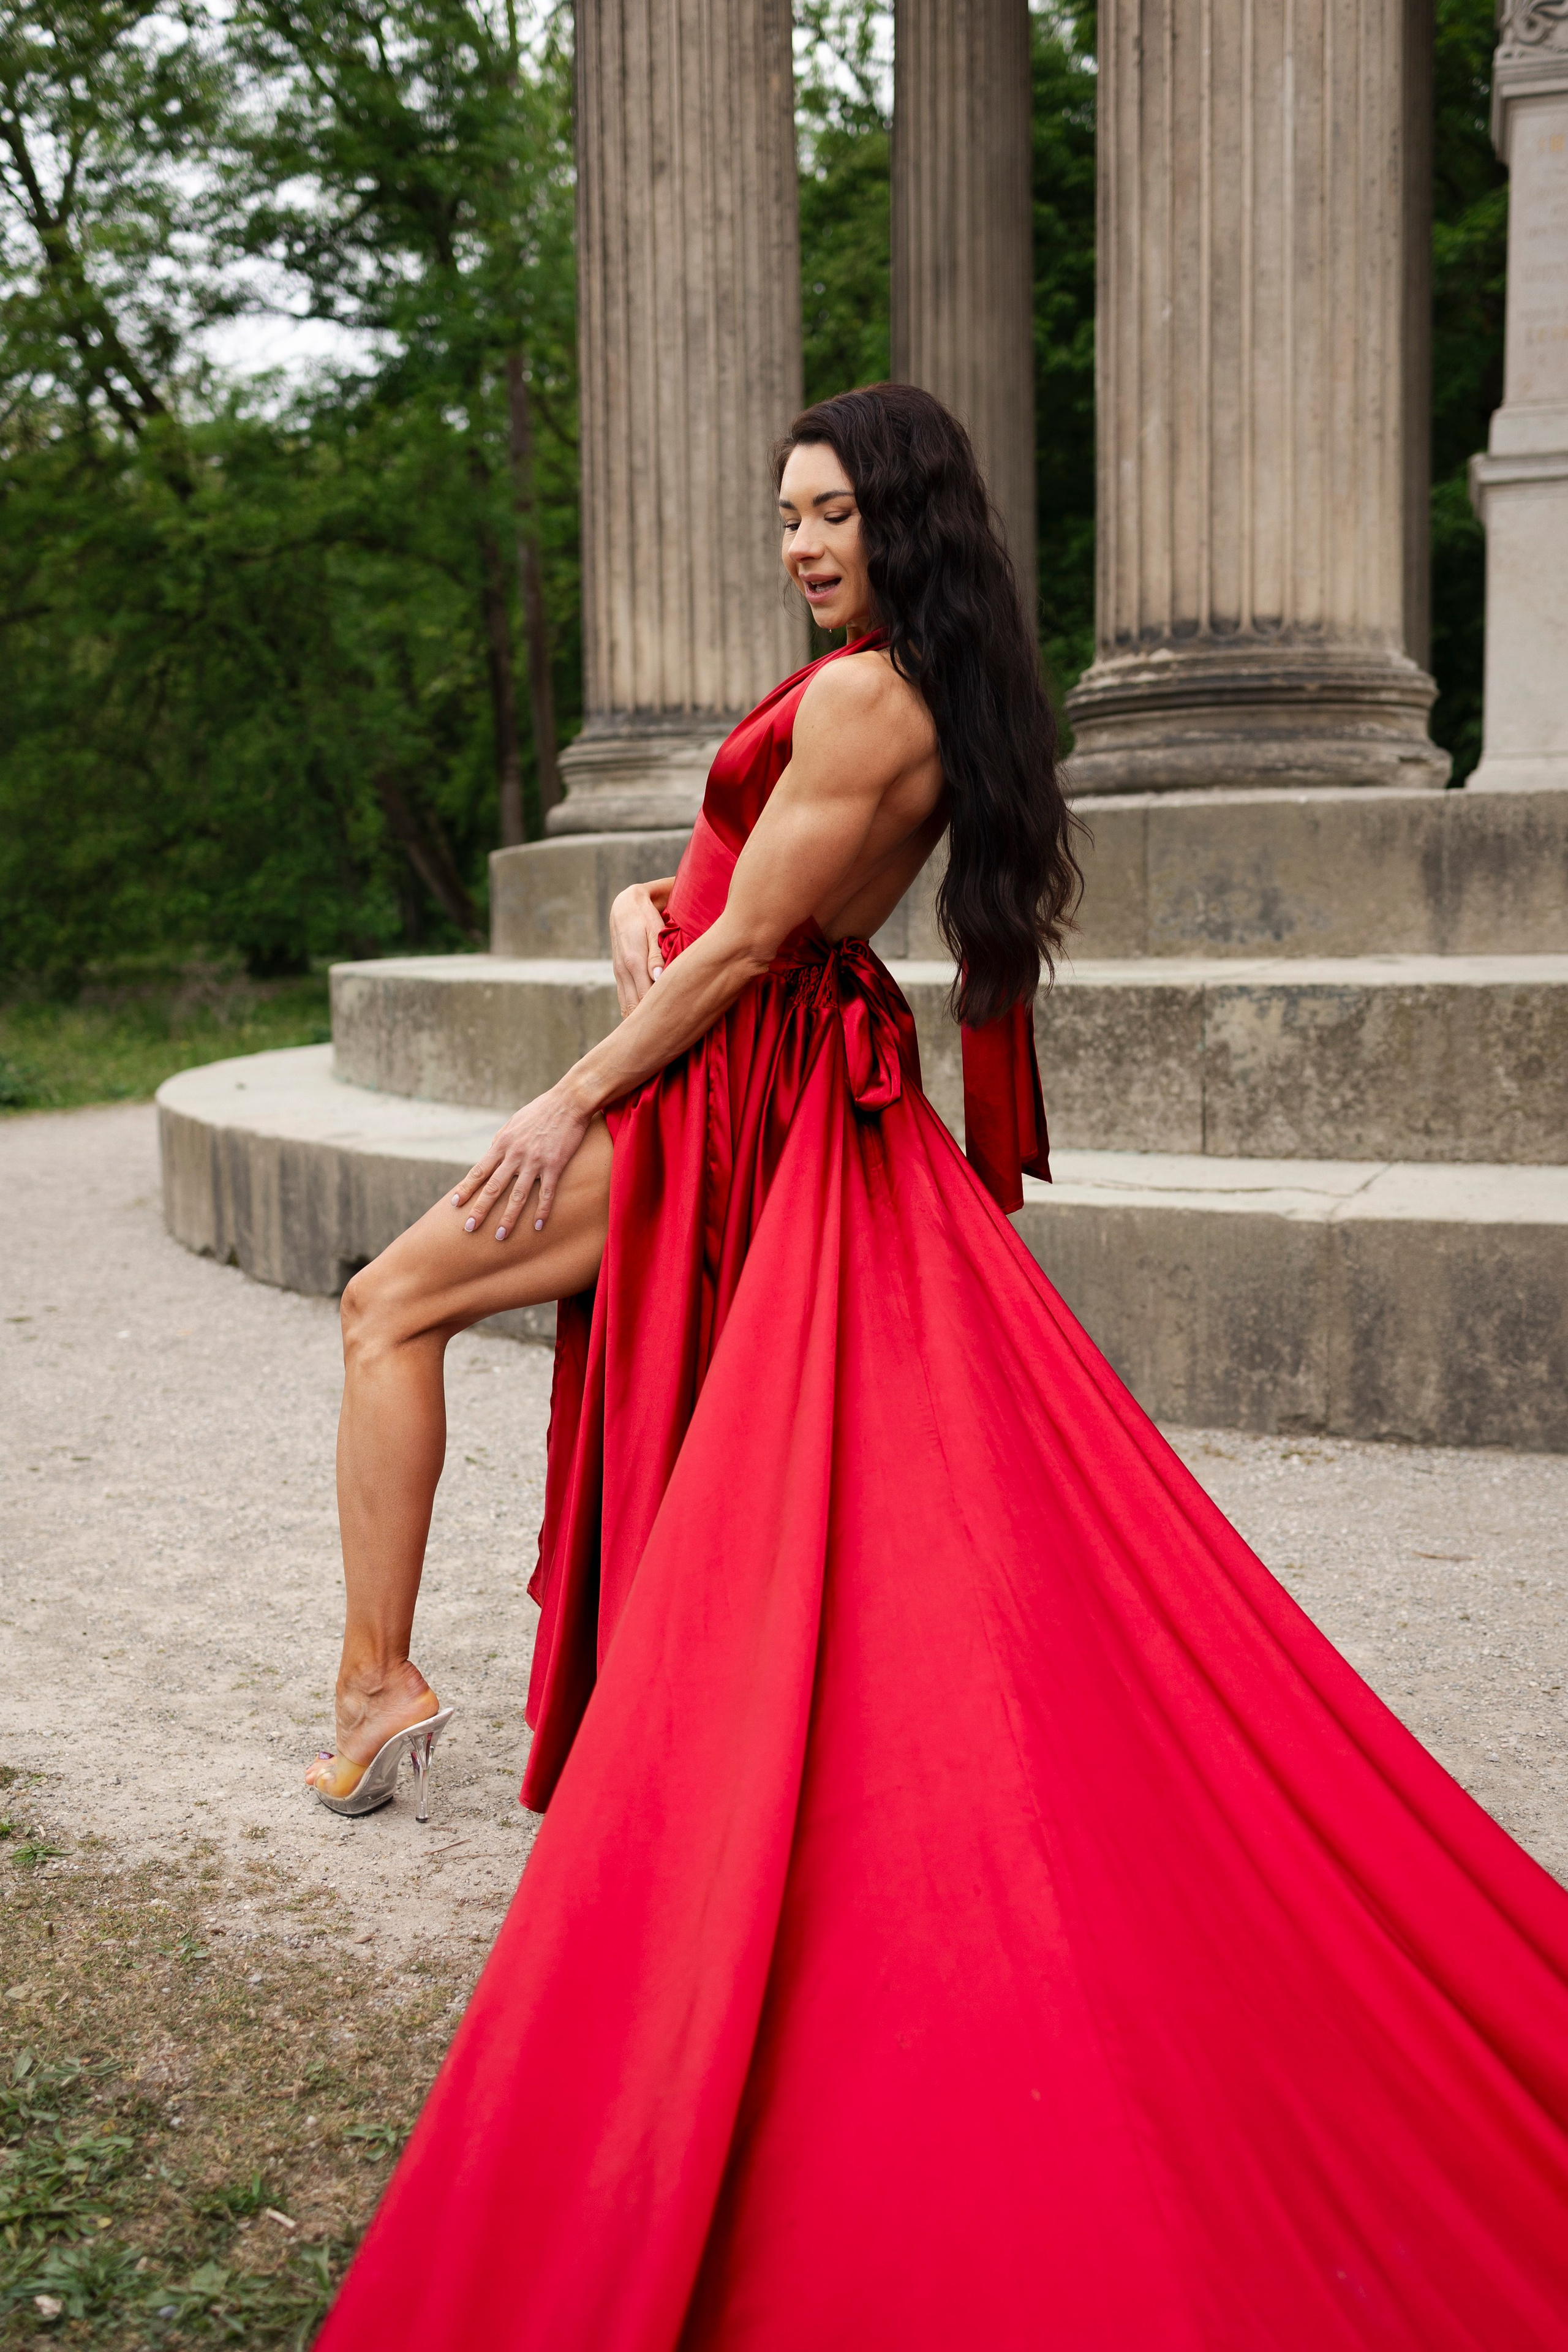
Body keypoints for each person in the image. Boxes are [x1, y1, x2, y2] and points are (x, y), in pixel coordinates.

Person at [314, 385, 1568, 2350]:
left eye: (833, 515)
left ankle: (392, 1686)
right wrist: (656, 901)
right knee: (727, 1441)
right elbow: (724, 903)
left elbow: (750, 954)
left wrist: (575, 1086)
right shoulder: (874, 689)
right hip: (739, 1069)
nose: (803, 545)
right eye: (788, 516)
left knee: (398, 1302)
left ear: (905, 521)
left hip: (738, 1103)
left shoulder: (876, 701)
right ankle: (528, 1712)